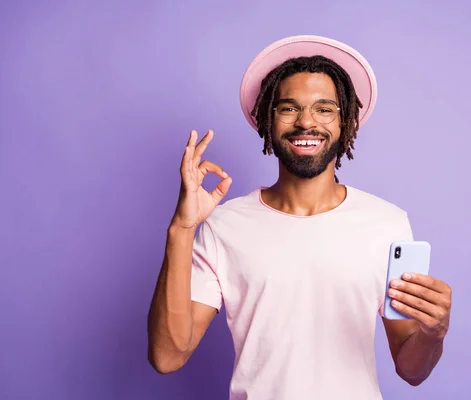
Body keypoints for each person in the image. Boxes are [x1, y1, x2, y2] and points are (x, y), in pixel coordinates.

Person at [147, 35, 452, 400]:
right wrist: (181, 229)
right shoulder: (223, 227)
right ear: (267, 120)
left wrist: (434, 333)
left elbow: (410, 369)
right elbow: (167, 356)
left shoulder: (387, 223)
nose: (306, 121)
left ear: (346, 124)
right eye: (288, 108)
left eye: (324, 109)